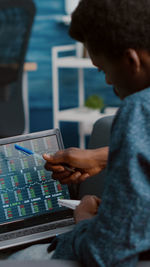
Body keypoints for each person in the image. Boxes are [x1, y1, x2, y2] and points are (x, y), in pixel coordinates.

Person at [3, 0, 150, 265]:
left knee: (18, 258)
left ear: (132, 60)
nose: (107, 82)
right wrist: (106, 156)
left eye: (103, 69)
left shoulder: (139, 110)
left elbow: (107, 252)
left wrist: (83, 221)